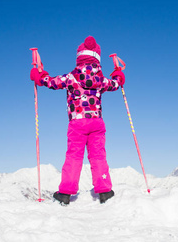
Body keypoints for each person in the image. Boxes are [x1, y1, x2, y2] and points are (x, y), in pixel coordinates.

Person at [30, 36, 125, 205]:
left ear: (79, 57)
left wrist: (39, 75)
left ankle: (66, 193)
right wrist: (118, 75)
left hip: (77, 123)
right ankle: (104, 191)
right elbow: (115, 84)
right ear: (97, 58)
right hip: (97, 122)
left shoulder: (72, 77)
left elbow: (51, 82)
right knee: (98, 156)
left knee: (74, 156)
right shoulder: (100, 80)